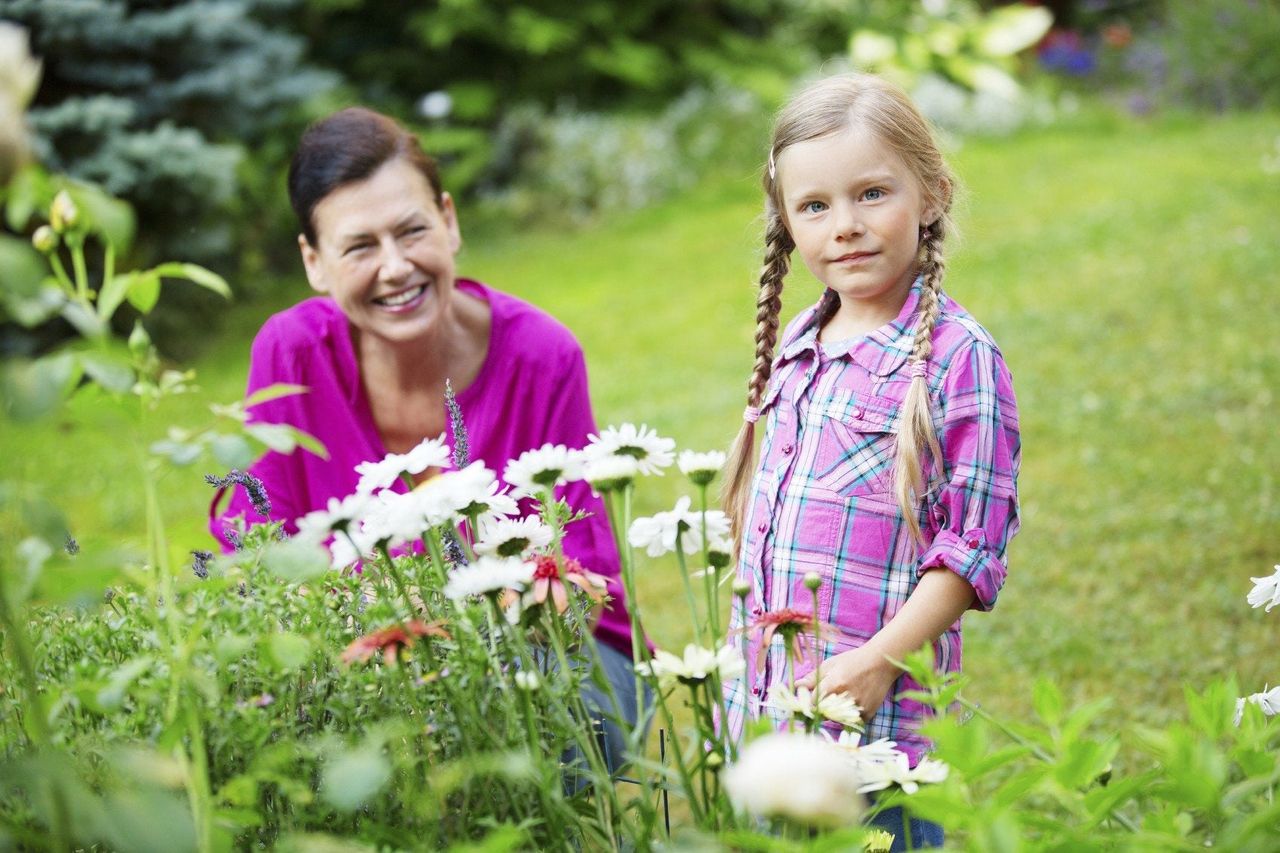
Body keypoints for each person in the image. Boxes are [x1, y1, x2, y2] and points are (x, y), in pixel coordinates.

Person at [208, 106, 644, 772]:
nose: (395, 268)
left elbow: (586, 580)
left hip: (556, 662)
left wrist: (458, 621)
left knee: (506, 717)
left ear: (449, 219)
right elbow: (253, 555)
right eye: (359, 246)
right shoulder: (292, 354)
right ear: (314, 262)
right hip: (366, 671)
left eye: (412, 230)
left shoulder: (541, 355)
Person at [720, 74, 1021, 848]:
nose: (844, 226)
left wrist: (879, 662)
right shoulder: (799, 344)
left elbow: (971, 551)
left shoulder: (959, 360)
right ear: (787, 223)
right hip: (770, 720)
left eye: (872, 193)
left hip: (880, 741)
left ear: (931, 193)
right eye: (815, 206)